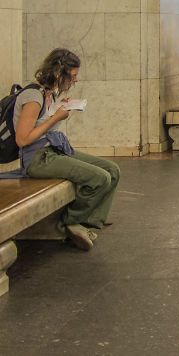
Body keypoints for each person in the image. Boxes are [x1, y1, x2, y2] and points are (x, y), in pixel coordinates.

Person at [11, 48, 120, 251]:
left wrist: (60, 108)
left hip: (53, 150)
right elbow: (23, 139)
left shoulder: (49, 93)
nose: (75, 80)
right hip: (37, 158)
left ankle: (89, 221)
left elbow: (42, 124)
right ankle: (71, 222)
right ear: (57, 73)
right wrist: (55, 117)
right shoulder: (33, 97)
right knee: (99, 178)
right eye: (73, 76)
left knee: (112, 170)